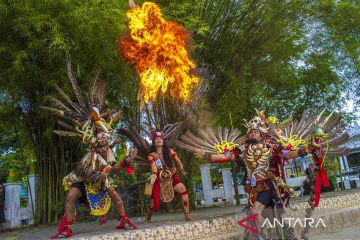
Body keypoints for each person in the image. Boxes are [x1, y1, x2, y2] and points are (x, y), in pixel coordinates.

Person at [146, 129, 194, 222]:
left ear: (163, 141)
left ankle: (187, 214)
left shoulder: (169, 151)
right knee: (154, 202)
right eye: (156, 138)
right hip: (159, 180)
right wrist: (154, 174)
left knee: (183, 190)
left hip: (173, 178)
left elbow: (178, 161)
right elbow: (153, 166)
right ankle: (148, 217)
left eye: (161, 138)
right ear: (153, 142)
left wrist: (181, 169)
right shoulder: (152, 155)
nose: (159, 140)